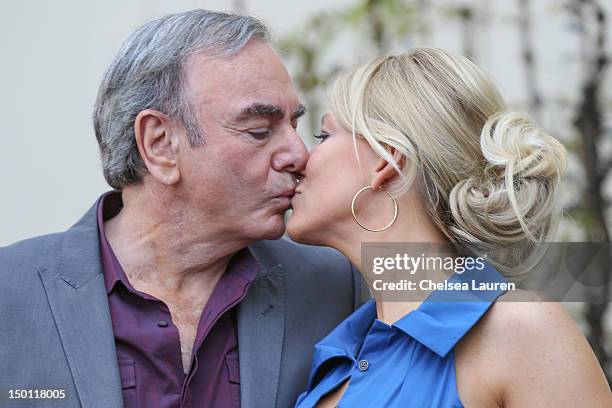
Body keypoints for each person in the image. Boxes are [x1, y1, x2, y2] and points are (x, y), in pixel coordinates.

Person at [0, 10, 364, 408]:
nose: (299, 154)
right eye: (259, 130)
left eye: (297, 126)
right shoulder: (10, 290)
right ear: (159, 144)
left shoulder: (339, 275)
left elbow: (443, 281)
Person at [288, 48, 612, 407]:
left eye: (323, 136)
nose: (300, 160)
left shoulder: (522, 329)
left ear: (386, 159)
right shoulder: (335, 358)